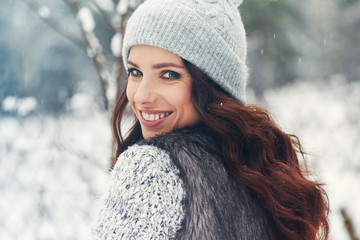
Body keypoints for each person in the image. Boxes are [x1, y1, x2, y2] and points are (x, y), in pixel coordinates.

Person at [93, 0, 329, 239]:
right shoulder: (258, 170)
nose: (142, 95)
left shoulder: (149, 169)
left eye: (169, 74)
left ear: (212, 85)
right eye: (135, 72)